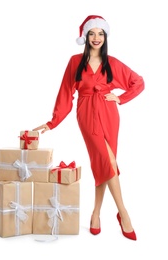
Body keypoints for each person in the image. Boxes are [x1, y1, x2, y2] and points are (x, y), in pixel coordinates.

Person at [33, 15, 144, 240]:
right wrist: (51, 123)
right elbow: (65, 93)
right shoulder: (75, 61)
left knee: (103, 164)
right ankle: (124, 214)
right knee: (108, 161)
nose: (96, 38)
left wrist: (120, 99)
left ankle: (95, 214)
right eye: (92, 33)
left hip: (109, 114)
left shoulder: (112, 62)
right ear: (85, 36)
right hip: (86, 115)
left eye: (100, 33)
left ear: (105, 36)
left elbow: (138, 82)